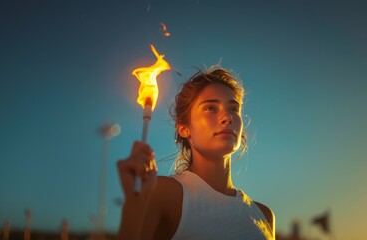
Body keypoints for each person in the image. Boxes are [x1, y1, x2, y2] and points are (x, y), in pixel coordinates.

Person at [117, 66, 275, 239]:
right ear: (184, 128)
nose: (227, 117)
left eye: (233, 109)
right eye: (210, 108)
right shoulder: (164, 194)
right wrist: (134, 205)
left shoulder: (264, 215)